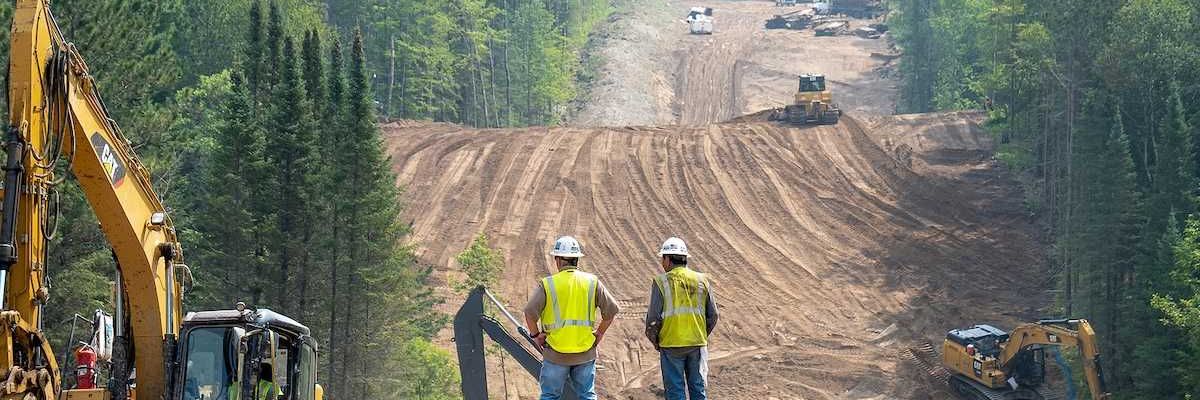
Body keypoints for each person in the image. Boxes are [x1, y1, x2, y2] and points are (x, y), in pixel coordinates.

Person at [524, 236, 620, 400]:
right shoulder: (592, 282)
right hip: (585, 353)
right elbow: (612, 310)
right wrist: (600, 333)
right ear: (577, 260)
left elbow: (529, 312)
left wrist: (536, 336)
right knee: (587, 395)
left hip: (555, 353)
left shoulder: (548, 284)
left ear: (558, 260)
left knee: (550, 396)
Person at [645, 237, 718, 400]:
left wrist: (656, 341)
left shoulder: (661, 282)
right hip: (697, 344)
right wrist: (701, 334)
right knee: (698, 389)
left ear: (667, 259)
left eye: (662, 258)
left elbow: (653, 319)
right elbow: (713, 315)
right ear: (685, 258)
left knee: (675, 391)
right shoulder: (702, 280)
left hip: (671, 345)